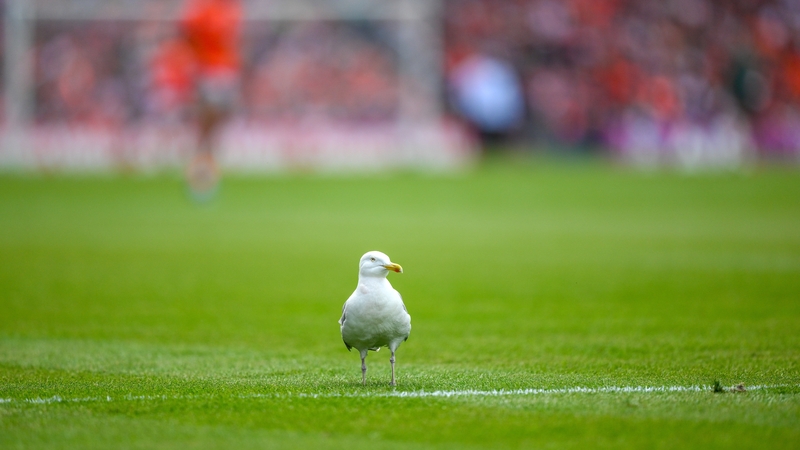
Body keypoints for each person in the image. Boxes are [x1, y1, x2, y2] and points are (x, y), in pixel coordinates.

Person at [180, 0, 242, 199]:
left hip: (226, 71)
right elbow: (187, 35)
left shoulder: (231, 9)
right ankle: (199, 177)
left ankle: (206, 174)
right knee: (207, 126)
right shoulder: (201, 9)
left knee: (216, 127)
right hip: (210, 71)